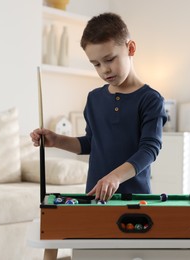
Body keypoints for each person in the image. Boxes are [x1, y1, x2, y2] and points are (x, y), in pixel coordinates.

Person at [30, 12, 167, 201]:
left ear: (131, 48)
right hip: (95, 197)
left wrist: (115, 177)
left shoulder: (151, 100)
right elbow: (91, 143)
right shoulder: (94, 98)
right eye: (96, 64)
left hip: (134, 199)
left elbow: (149, 150)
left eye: (110, 59)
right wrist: (57, 140)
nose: (104, 69)